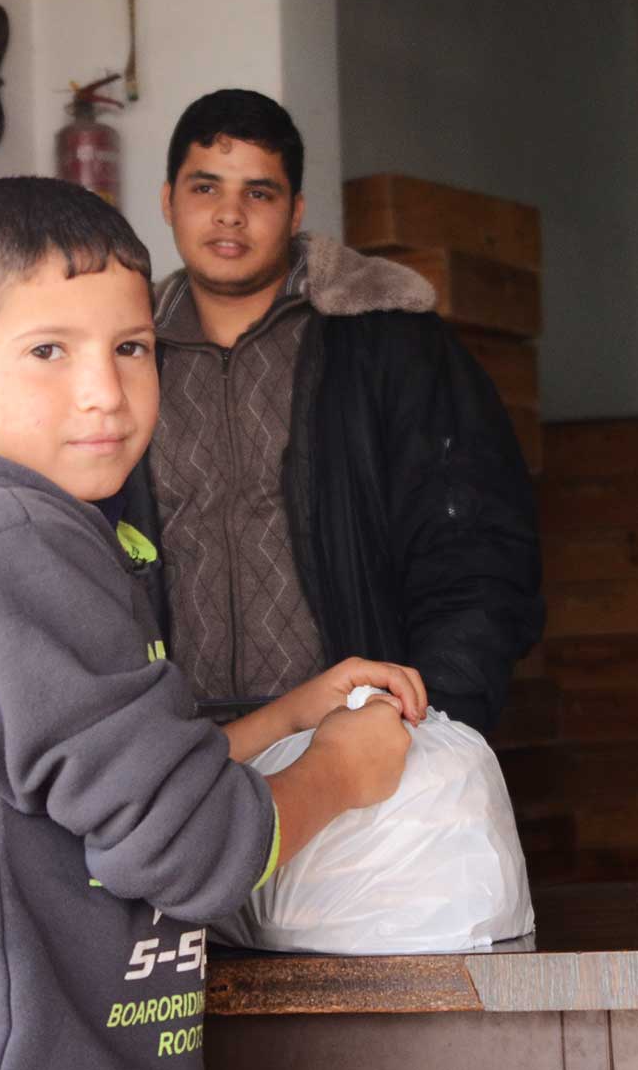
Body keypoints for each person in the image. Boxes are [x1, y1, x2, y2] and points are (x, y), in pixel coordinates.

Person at [0, 177, 430, 1070]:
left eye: (130, 347)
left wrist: (289, 709)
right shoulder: (8, 547)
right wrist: (340, 768)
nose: (104, 389)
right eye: (47, 352)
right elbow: (187, 845)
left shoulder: (13, 537)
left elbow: (109, 785)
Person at [122, 89, 543, 730]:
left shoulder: (382, 342)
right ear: (167, 201)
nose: (229, 215)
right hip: (182, 751)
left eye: (258, 193)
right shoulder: (123, 359)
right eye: (205, 189)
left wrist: (432, 724)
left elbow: (476, 547)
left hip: (356, 734)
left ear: (295, 212)